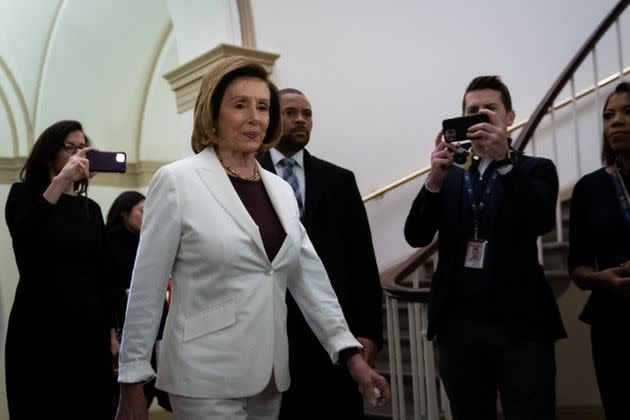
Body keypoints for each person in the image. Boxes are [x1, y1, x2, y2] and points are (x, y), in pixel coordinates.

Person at [115, 56, 389, 420]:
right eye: (240, 105)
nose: (255, 117)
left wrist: (349, 353)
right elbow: (147, 285)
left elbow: (309, 278)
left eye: (263, 107)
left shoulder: (279, 189)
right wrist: (132, 380)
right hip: (203, 375)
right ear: (213, 112)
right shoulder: (177, 181)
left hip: (269, 377)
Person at [404, 75, 566, 420]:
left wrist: (506, 161)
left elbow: (540, 221)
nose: (479, 115)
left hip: (521, 327)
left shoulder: (535, 169)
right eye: (471, 110)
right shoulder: (450, 174)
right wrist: (433, 180)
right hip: (458, 327)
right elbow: (415, 235)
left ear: (509, 117)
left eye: (489, 109)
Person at [257, 88, 383, 419]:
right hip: (268, 331)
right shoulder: (245, 175)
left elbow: (362, 261)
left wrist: (370, 331)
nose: (301, 119)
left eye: (307, 113)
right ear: (271, 118)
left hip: (334, 332)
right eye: (290, 112)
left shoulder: (339, 180)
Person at [4, 120, 117, 419]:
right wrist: (61, 180)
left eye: (84, 147)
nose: (79, 153)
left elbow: (103, 273)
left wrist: (112, 331)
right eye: (71, 147)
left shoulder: (89, 209)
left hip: (88, 331)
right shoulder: (23, 195)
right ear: (49, 152)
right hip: (40, 328)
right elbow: (25, 240)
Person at [568, 81, 630, 420]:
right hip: (612, 323)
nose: (616, 121)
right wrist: (601, 278)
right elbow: (576, 267)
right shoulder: (589, 188)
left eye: (627, 112)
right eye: (608, 115)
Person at [105, 191, 172, 413]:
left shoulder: (148, 241)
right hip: (121, 326)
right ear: (124, 213)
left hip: (156, 327)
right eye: (142, 210)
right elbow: (99, 285)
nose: (147, 215)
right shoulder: (108, 241)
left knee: (153, 387)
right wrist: (124, 293)